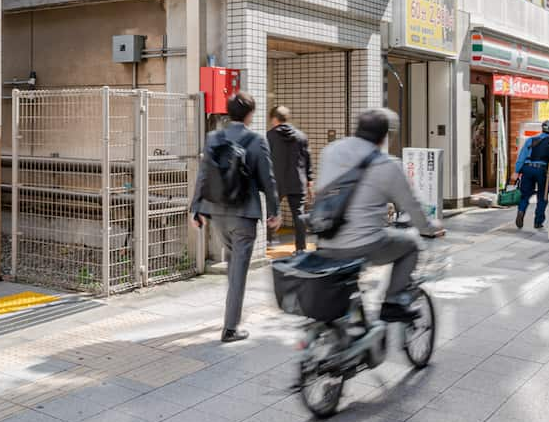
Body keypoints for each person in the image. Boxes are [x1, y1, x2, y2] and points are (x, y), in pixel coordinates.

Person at [315, 108, 444, 323]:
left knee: (351, 286)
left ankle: (351, 328)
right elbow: (412, 207)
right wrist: (430, 227)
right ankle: (392, 302)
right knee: (411, 244)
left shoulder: (330, 151)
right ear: (385, 136)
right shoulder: (387, 164)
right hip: (364, 243)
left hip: (325, 240)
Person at [190, 92, 281, 343]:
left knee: (233, 265)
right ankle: (230, 328)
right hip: (244, 215)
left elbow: (204, 174)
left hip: (217, 213)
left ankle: (232, 313)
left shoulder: (214, 137)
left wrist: (196, 208)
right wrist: (274, 211)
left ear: (229, 113)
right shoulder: (255, 140)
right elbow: (268, 179)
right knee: (239, 272)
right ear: (250, 114)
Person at [268, 105, 313, 252]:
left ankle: (268, 241)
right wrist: (309, 182)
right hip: (297, 181)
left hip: (277, 181)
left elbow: (266, 160)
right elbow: (308, 161)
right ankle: (301, 248)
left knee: (271, 211)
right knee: (299, 215)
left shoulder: (270, 136)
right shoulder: (301, 136)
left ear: (274, 119)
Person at [513, 120, 549, 230]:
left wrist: (516, 171)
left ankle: (521, 211)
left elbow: (521, 157)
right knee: (542, 196)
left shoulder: (530, 140)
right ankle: (538, 221)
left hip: (527, 169)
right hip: (542, 171)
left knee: (525, 195)